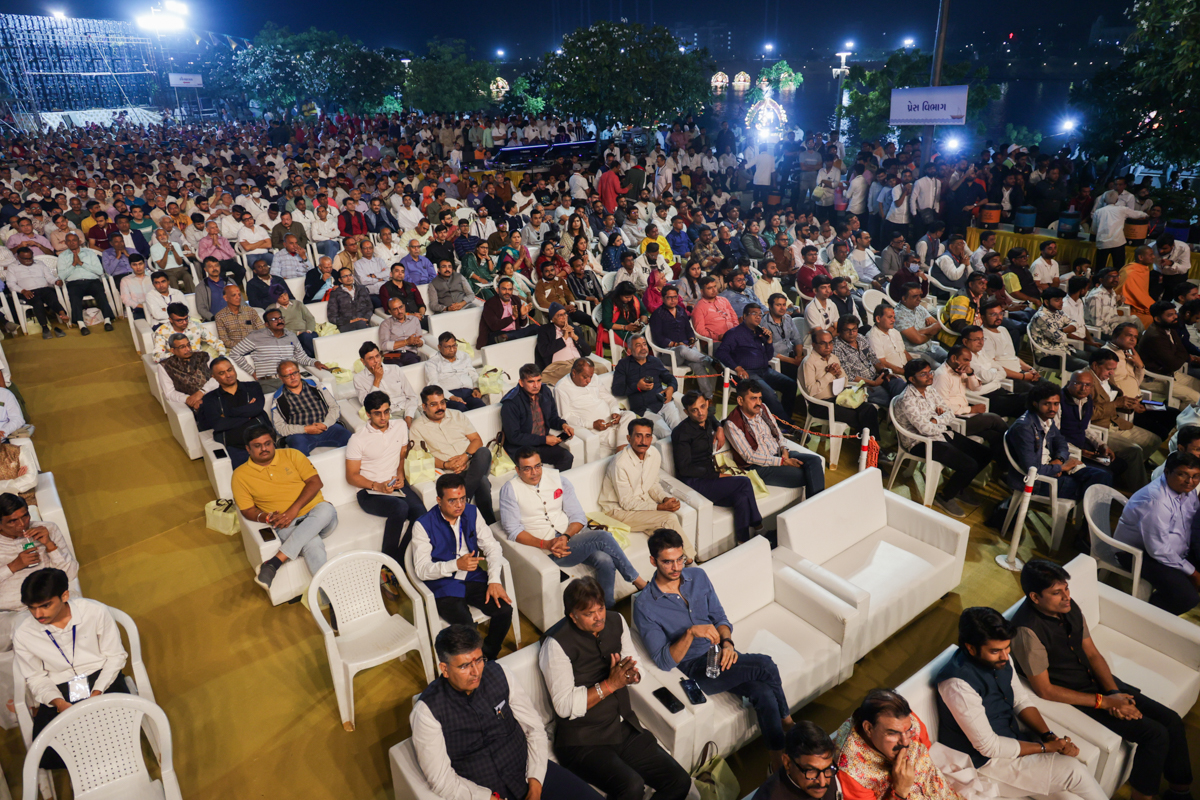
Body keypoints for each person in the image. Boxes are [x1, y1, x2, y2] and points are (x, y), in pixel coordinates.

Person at [1012, 558, 1194, 800]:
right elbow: (1045, 690)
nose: (1066, 596)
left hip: (1099, 682)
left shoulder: (1068, 607)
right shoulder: (1026, 631)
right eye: (1057, 592)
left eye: (1066, 588)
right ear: (1035, 597)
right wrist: (1105, 702)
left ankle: (1180, 791)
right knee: (1155, 735)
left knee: (1171, 720)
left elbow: (1092, 653)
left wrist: (1113, 693)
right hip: (1076, 695)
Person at [635, 528, 795, 769]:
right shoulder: (645, 605)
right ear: (652, 561)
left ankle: (777, 762)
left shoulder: (697, 576)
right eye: (668, 562)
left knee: (762, 691)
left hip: (718, 653)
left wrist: (727, 643)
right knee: (765, 664)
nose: (676, 567)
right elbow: (664, 661)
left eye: (680, 559)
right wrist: (691, 632)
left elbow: (720, 617)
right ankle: (790, 725)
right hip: (692, 670)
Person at [538, 576, 689, 800]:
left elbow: (635, 663)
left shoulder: (616, 621)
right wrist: (610, 684)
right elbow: (564, 706)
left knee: (679, 781)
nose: (599, 617)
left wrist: (632, 675)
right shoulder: (555, 644)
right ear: (572, 615)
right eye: (589, 614)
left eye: (600, 608)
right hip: (582, 740)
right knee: (632, 787)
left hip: (622, 726)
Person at [412, 624, 602, 800]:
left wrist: (535, 783)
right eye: (464, 666)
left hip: (529, 771)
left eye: (478, 660)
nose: (476, 672)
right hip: (483, 790)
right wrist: (487, 798)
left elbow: (534, 728)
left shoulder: (500, 674)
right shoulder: (427, 711)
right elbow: (441, 779)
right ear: (444, 669)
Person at [935, 606, 1106, 800]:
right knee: (1074, 771)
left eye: (1007, 647)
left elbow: (1020, 700)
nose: (1004, 656)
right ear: (971, 648)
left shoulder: (1001, 658)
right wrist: (1045, 748)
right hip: (984, 764)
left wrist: (1049, 736)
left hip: (1011, 740)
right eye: (995, 651)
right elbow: (988, 747)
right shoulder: (957, 684)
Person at [14, 568, 131, 769]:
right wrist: (59, 703)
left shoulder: (94, 611)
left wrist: (97, 692)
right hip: (60, 688)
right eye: (31, 608)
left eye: (45, 606)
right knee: (46, 755)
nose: (38, 615)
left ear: (65, 596)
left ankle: (111, 765)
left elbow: (115, 656)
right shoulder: (24, 633)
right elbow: (35, 678)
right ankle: (94, 767)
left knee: (118, 731)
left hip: (101, 677)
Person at [501, 452, 647, 608]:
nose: (534, 472)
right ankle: (640, 583)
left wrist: (566, 536)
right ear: (518, 470)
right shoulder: (510, 490)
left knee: (605, 560)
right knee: (603, 537)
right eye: (527, 469)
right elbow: (514, 531)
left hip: (570, 537)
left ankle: (607, 609)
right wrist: (546, 544)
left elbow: (578, 516)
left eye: (537, 466)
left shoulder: (558, 479)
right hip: (549, 549)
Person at [411, 477, 512, 661]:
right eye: (452, 500)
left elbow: (492, 547)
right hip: (443, 584)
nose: (459, 505)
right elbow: (422, 570)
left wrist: (494, 580)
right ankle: (473, 663)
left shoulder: (472, 512)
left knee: (504, 610)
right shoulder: (422, 525)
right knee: (467, 630)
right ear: (439, 500)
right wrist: (455, 565)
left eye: (462, 499)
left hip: (473, 576)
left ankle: (488, 656)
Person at [233, 424, 339, 590]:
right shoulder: (240, 475)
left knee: (326, 509)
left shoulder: (292, 455)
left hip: (319, 516)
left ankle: (274, 562)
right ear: (248, 449)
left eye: (267, 443)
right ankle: (331, 598)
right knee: (313, 545)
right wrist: (267, 517)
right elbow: (247, 510)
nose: (264, 449)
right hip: (286, 525)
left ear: (273, 442)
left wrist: (292, 511)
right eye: (257, 446)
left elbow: (315, 482)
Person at [893, 359, 995, 517]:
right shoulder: (907, 400)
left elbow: (949, 413)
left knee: (985, 454)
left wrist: (935, 420)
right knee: (969, 465)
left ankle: (958, 487)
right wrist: (939, 420)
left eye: (929, 372)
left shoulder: (930, 390)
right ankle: (945, 497)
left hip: (942, 434)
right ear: (912, 379)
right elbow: (925, 430)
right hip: (919, 442)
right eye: (923, 374)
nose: (929, 376)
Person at [1111, 452, 1200, 614]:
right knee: (1186, 598)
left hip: (1173, 551)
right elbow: (1158, 549)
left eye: (1196, 476)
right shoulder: (1156, 501)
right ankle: (1143, 617)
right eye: (1182, 475)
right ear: (1167, 472)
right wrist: (1192, 572)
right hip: (1138, 553)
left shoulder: (1188, 490)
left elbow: (1190, 525)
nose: (1190, 481)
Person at [344, 390, 426, 564]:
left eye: (386, 411)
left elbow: (401, 456)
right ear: (368, 414)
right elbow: (351, 476)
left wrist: (400, 474)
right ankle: (388, 565)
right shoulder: (357, 439)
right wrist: (378, 486)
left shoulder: (400, 426)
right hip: (369, 492)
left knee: (421, 513)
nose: (383, 417)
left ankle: (400, 562)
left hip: (394, 485)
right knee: (400, 508)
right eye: (377, 413)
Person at [833, 689, 960, 800]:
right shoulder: (850, 772)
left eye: (908, 731)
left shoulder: (904, 720)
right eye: (893, 734)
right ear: (869, 728)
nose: (905, 742)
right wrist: (900, 791)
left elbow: (926, 747)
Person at [673, 391, 763, 543]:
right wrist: (716, 475)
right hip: (694, 482)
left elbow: (713, 419)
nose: (700, 412)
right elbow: (685, 468)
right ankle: (759, 526)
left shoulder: (707, 417)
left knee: (741, 497)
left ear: (707, 404)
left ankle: (742, 542)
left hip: (709, 477)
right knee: (744, 482)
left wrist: (719, 428)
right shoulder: (681, 433)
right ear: (686, 412)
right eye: (694, 410)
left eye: (703, 406)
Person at [597, 418, 693, 559]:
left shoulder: (654, 454)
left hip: (641, 505)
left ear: (651, 438)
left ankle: (677, 563)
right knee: (669, 518)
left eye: (647, 436)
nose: (643, 441)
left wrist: (665, 499)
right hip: (617, 512)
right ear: (629, 438)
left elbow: (653, 484)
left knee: (664, 534)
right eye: (638, 436)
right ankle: (690, 559)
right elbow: (626, 503)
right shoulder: (620, 463)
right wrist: (659, 507)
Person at [1005, 382, 1113, 502]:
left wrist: (1059, 460)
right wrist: (1060, 468)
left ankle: (1089, 514)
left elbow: (1061, 442)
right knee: (1095, 488)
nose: (1052, 409)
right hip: (1037, 481)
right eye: (1047, 404)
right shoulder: (1024, 428)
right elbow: (1032, 468)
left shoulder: (1047, 419)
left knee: (1103, 476)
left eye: (1056, 404)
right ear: (1035, 404)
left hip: (1053, 467)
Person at [410, 385, 496, 524]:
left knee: (484, 452)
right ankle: (490, 523)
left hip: (474, 463)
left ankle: (464, 498)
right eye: (434, 404)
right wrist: (446, 465)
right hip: (451, 473)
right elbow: (422, 458)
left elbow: (477, 440)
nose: (440, 407)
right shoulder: (417, 428)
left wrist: (465, 456)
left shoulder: (457, 415)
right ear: (424, 406)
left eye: (442, 402)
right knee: (482, 482)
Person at [725, 379, 825, 497]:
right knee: (804, 474)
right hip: (759, 466)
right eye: (753, 398)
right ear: (740, 400)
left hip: (778, 453)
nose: (758, 402)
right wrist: (782, 462)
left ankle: (815, 506)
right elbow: (749, 456)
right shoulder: (732, 423)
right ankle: (816, 507)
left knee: (815, 461)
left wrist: (784, 449)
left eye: (760, 398)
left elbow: (777, 433)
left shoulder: (763, 408)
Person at [1057, 369, 1136, 489]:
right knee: (1105, 474)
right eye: (1078, 383)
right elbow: (1054, 436)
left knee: (1120, 465)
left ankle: (1103, 492)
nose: (1083, 388)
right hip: (1065, 451)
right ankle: (1089, 496)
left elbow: (1086, 428)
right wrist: (1080, 451)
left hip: (1082, 447)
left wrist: (1101, 444)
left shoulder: (1087, 400)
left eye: (1088, 385)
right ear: (1069, 383)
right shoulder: (1058, 402)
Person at [1103, 321, 1180, 440]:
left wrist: (1140, 366)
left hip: (1140, 401)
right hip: (1127, 407)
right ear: (1116, 335)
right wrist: (1132, 404)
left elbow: (1136, 382)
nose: (1133, 339)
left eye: (1135, 337)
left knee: (1173, 413)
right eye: (1129, 335)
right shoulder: (1106, 356)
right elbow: (1108, 388)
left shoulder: (1128, 351)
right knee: (1161, 431)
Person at [556, 358, 639, 459]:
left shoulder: (594, 378)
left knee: (630, 415)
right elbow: (566, 417)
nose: (589, 381)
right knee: (633, 436)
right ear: (574, 373)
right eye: (585, 377)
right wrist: (592, 424)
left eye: (590, 377)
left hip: (613, 421)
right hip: (598, 429)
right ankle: (622, 454)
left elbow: (610, 399)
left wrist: (615, 412)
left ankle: (620, 452)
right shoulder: (561, 388)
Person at [802, 330, 879, 434]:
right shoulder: (809, 362)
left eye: (830, 342)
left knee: (869, 409)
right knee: (858, 416)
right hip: (820, 404)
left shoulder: (833, 357)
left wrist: (839, 373)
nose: (828, 346)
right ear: (814, 345)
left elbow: (845, 382)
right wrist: (830, 375)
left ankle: (872, 441)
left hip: (839, 399)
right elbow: (811, 391)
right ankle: (866, 442)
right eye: (823, 343)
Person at [198, 357, 271, 468]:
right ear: (214, 377)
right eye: (222, 373)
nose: (228, 375)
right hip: (236, 446)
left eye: (229, 370)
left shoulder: (252, 386)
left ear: (233, 368)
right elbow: (218, 424)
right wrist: (248, 414)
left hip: (263, 441)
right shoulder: (210, 398)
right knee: (246, 475)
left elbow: (257, 408)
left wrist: (228, 413)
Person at [267, 360, 352, 455]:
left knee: (350, 439)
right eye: (287, 375)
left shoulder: (316, 386)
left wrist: (326, 424)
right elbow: (280, 428)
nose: (293, 377)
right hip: (300, 435)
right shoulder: (278, 398)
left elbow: (334, 407)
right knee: (298, 452)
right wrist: (305, 429)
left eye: (295, 373)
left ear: (299, 372)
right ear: (281, 378)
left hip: (326, 428)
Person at [231, 308, 327, 392]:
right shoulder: (256, 337)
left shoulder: (291, 336)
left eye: (281, 318)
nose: (279, 321)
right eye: (274, 319)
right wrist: (252, 372)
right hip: (268, 382)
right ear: (267, 324)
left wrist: (315, 363)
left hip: (290, 379)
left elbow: (301, 357)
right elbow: (235, 353)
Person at [501, 364, 575, 471]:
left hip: (541, 443)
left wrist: (563, 425)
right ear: (521, 382)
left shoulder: (545, 391)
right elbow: (514, 437)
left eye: (539, 380)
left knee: (566, 457)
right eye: (531, 382)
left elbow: (552, 418)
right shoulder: (511, 403)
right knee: (534, 467)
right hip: (521, 447)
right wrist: (544, 440)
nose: (536, 385)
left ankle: (556, 482)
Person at [613, 335, 683, 438]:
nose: (643, 348)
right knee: (666, 434)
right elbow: (617, 389)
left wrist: (671, 388)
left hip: (663, 403)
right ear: (630, 350)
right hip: (644, 410)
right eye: (638, 345)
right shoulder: (623, 365)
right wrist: (637, 386)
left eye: (644, 344)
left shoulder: (655, 361)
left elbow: (670, 378)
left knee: (680, 431)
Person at [751, 722, 843, 800]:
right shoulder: (771, 796)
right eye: (811, 771)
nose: (822, 783)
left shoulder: (829, 773)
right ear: (787, 763)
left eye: (827, 769)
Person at [1139, 300, 1200, 406]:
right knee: (1197, 398)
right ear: (1157, 319)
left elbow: (1182, 350)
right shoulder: (1155, 337)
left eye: (1174, 313)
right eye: (1170, 315)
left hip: (1168, 373)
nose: (1175, 317)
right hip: (1154, 379)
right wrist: (1183, 355)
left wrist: (1181, 355)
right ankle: (1183, 415)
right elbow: (1174, 364)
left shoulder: (1169, 328)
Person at [57, 233, 115, 334]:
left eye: (74, 240)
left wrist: (81, 263)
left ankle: (107, 321)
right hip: (74, 283)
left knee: (100, 293)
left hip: (91, 281)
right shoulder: (62, 256)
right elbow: (61, 275)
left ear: (79, 241)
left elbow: (100, 271)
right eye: (69, 241)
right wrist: (73, 264)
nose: (71, 243)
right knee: (74, 297)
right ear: (65, 243)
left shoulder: (90, 253)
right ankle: (81, 325)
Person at [8, 246, 68, 338]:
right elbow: (10, 284)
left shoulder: (40, 263)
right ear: (18, 257)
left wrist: (56, 281)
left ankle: (62, 314)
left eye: (30, 258)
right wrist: (23, 291)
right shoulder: (12, 267)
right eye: (25, 259)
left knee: (51, 296)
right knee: (37, 302)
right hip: (27, 291)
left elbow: (49, 277)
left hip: (44, 288)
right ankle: (45, 327)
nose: (29, 261)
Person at [354, 342, 421, 424]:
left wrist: (409, 416)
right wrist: (377, 380)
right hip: (388, 416)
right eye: (371, 358)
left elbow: (412, 396)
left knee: (424, 428)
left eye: (377, 356)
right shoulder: (359, 379)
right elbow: (368, 405)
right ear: (363, 361)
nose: (376, 361)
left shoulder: (395, 369)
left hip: (408, 410)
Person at [1028, 288, 1090, 373]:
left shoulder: (1058, 312)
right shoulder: (1041, 317)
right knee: (1089, 366)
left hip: (1064, 349)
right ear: (1046, 302)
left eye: (1061, 299)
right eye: (1057, 300)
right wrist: (1064, 332)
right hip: (1048, 355)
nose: (1061, 302)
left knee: (1095, 359)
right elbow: (1060, 338)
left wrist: (1062, 330)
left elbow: (1076, 324)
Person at [157, 333, 217, 413]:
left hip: (216, 394)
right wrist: (189, 399)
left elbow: (218, 376)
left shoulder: (204, 356)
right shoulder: (165, 366)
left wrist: (202, 392)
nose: (188, 349)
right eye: (182, 347)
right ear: (173, 350)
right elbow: (169, 393)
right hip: (195, 404)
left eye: (188, 345)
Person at [535, 303, 589, 384]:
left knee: (602, 368)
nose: (564, 317)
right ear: (553, 319)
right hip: (559, 366)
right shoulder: (544, 330)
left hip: (579, 363)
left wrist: (575, 337)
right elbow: (544, 352)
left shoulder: (575, 329)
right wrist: (564, 338)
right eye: (560, 315)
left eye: (565, 314)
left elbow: (588, 351)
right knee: (578, 374)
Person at [478, 277, 539, 348]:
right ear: (497, 290)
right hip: (496, 334)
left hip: (514, 332)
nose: (507, 292)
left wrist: (523, 316)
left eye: (510, 289)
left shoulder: (516, 299)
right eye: (504, 289)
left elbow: (522, 324)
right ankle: (508, 337)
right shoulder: (490, 304)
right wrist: (512, 317)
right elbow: (494, 326)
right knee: (500, 337)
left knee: (536, 327)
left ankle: (508, 337)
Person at [894, 283, 947, 364]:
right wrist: (930, 330)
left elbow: (938, 325)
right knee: (941, 368)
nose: (919, 299)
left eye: (920, 295)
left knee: (953, 360)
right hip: (916, 353)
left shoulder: (919, 307)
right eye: (915, 296)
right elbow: (918, 340)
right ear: (904, 298)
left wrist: (922, 331)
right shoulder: (899, 315)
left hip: (930, 347)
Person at [214, 284, 265, 350]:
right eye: (234, 295)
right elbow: (225, 340)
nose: (238, 297)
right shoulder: (220, 316)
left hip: (256, 347)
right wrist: (243, 346)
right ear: (225, 298)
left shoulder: (250, 311)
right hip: (236, 349)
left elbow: (262, 330)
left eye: (239, 295)